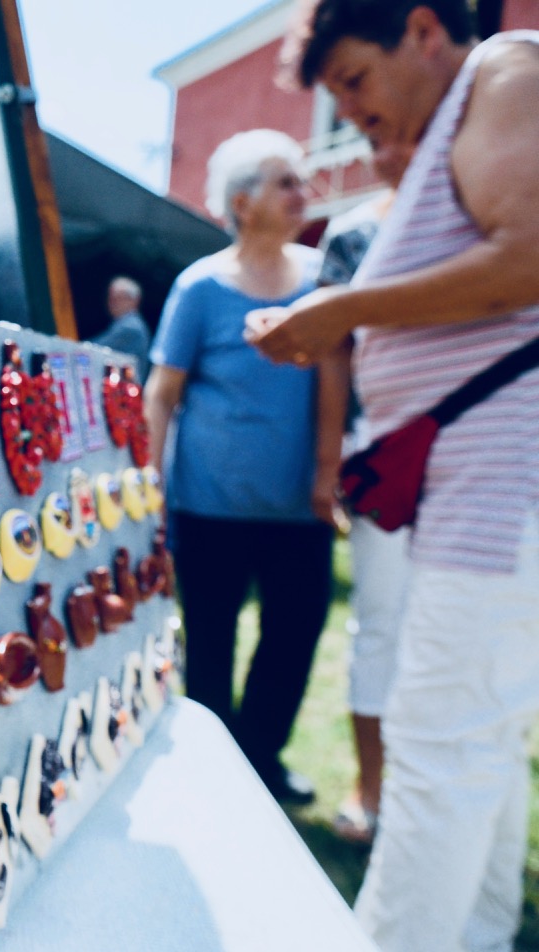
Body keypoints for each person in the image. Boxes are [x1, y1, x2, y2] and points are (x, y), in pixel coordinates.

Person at [247, 4, 539, 949]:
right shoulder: (465, 110)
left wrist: (343, 310)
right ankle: (480, 933)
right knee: (476, 739)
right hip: (480, 479)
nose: (350, 111)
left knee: (436, 742)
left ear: (420, 30)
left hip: (502, 480)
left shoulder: (507, 69)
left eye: (355, 80)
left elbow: (529, 254)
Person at [144, 128, 334, 805]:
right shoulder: (200, 287)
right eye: (286, 182)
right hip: (207, 506)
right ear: (242, 201)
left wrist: (328, 470)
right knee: (211, 642)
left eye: (301, 181)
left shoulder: (322, 282)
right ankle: (213, 771)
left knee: (294, 634)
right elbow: (162, 393)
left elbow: (334, 381)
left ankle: (260, 759)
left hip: (297, 508)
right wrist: (151, 487)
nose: (302, 193)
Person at [315, 140, 413, 845]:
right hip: (381, 452)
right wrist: (329, 462)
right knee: (380, 619)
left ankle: (427, 786)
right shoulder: (352, 235)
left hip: (481, 451)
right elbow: (333, 354)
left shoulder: (488, 208)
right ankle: (372, 784)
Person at [93, 276, 151, 380]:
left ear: (135, 300)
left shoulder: (130, 327)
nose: (112, 302)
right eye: (111, 298)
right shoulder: (124, 324)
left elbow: (93, 348)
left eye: (119, 298)